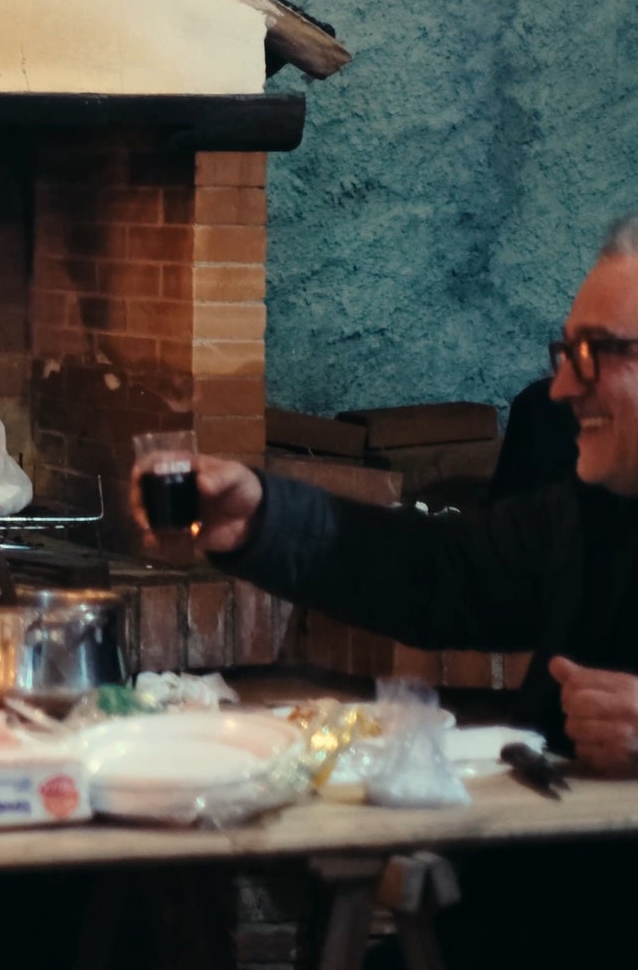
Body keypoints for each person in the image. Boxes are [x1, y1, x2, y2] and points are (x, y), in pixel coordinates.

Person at [143, 214, 638, 963]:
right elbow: (439, 571)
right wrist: (262, 519)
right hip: (535, 920)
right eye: (564, 351)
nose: (562, 386)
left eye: (592, 354)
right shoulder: (596, 506)